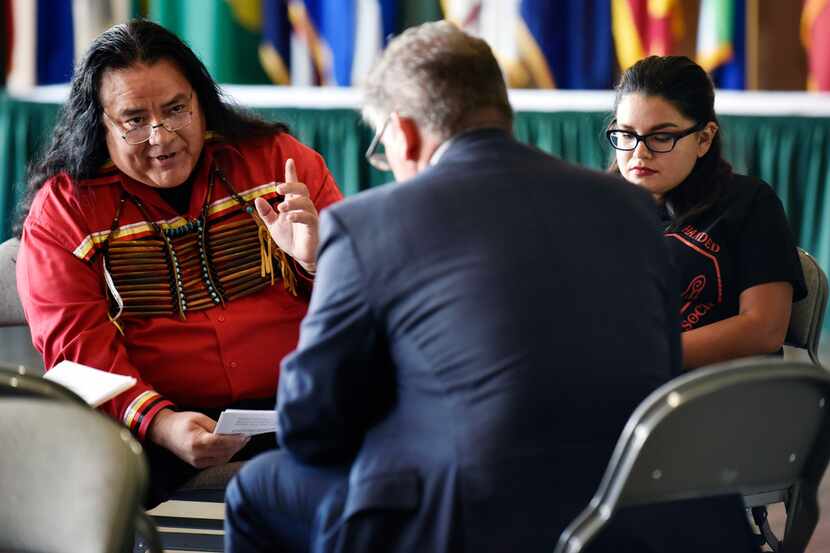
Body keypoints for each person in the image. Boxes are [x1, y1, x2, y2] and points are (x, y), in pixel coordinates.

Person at [224, 22, 758, 553]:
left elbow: (309, 426)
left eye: (383, 149)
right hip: (643, 510)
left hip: (472, 521)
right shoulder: (629, 207)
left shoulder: (366, 224)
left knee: (255, 487)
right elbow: (655, 363)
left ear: (404, 132)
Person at [15, 19, 342, 506]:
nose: (161, 136)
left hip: (298, 405)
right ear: (98, 123)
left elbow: (369, 301)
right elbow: (78, 354)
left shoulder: (278, 162)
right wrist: (161, 423)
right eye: (134, 119)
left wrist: (318, 261)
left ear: (201, 101)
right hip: (145, 424)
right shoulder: (65, 210)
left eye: (175, 109)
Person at [607, 55, 806, 370]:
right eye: (627, 135)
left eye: (662, 137)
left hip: (716, 396)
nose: (639, 153)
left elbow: (764, 329)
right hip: (618, 388)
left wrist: (646, 358)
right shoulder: (599, 206)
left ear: (704, 138)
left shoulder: (750, 202)